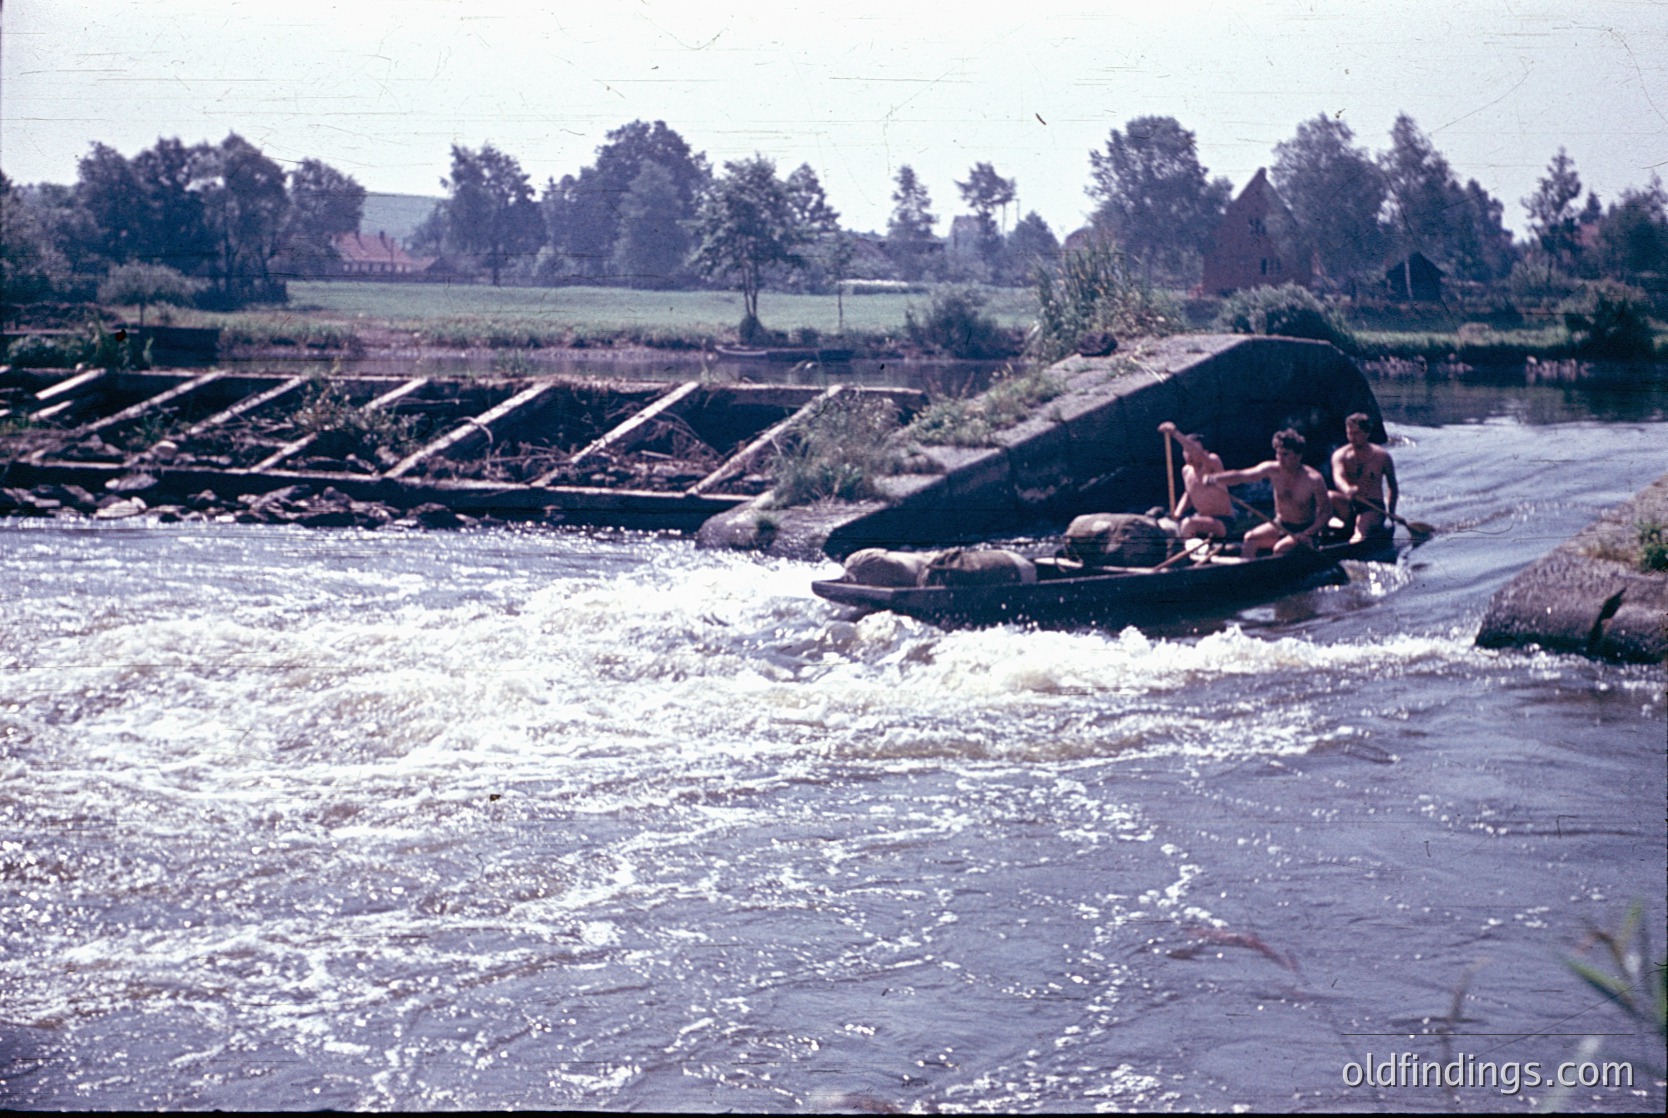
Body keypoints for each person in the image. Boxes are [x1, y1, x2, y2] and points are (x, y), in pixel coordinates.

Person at [1203, 428, 1332, 559]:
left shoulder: (1313, 479)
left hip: (1304, 531)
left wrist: (1308, 533)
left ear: (1298, 456)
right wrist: (1216, 479)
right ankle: (1246, 573)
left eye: (1285, 454)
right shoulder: (1272, 470)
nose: (1280, 459)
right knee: (1250, 538)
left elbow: (1326, 513)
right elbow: (1241, 476)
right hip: (1280, 524)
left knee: (1280, 548)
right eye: (1278, 454)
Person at [1157, 421, 1237, 540]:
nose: (1189, 455)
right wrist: (1177, 514)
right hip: (1200, 518)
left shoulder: (1212, 463)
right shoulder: (1186, 471)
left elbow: (1195, 451)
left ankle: (1185, 557)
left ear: (1205, 452)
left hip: (1222, 522)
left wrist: (1175, 433)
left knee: (1189, 524)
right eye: (1186, 452)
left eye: (1191, 451)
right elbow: (1189, 494)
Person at [1330, 412, 1400, 543]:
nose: (1352, 438)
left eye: (1356, 433)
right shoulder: (1340, 455)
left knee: (1361, 528)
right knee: (1330, 496)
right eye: (1349, 433)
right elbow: (1338, 477)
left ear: (1367, 433)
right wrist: (1346, 489)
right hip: (1349, 503)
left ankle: (1355, 543)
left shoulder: (1382, 457)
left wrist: (1392, 513)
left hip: (1372, 506)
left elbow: (1393, 487)